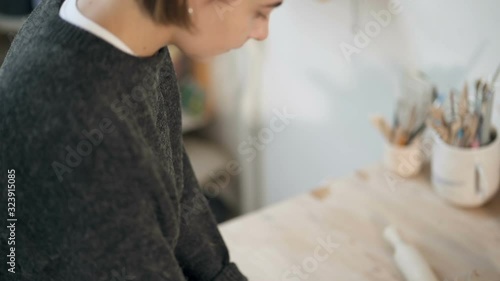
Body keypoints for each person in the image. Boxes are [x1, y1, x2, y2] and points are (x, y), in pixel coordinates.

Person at [0, 0, 282, 280]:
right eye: (259, 12)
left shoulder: (132, 37)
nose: (261, 32)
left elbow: (174, 191)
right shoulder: (72, 118)